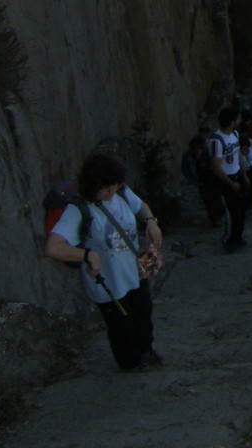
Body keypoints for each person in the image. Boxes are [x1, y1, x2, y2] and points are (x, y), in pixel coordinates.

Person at [44, 154, 163, 371]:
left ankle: (146, 350)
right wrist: (86, 255)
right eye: (105, 188)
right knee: (121, 327)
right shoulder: (79, 209)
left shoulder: (121, 192)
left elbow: (141, 207)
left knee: (143, 313)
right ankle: (130, 364)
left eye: (114, 185)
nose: (111, 192)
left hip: (134, 272)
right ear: (92, 185)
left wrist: (151, 222)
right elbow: (53, 247)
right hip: (107, 281)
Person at [209, 106, 249, 252]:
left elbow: (238, 154)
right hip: (226, 180)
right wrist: (231, 183)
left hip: (237, 174)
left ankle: (238, 236)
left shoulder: (235, 134)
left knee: (242, 208)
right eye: (238, 118)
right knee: (231, 211)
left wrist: (244, 174)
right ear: (232, 122)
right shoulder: (217, 140)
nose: (240, 121)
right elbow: (216, 168)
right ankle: (230, 240)